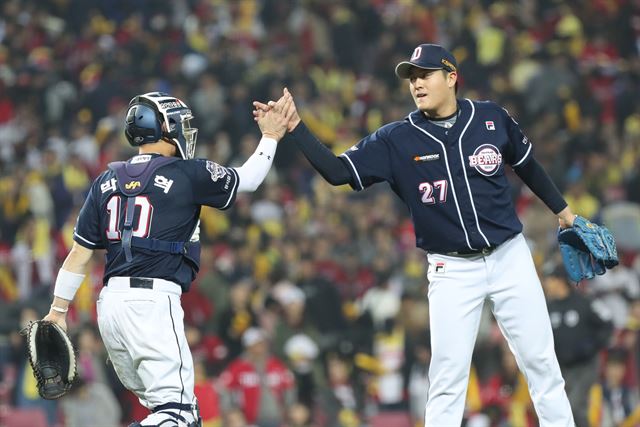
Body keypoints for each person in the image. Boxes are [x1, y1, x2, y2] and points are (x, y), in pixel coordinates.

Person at [254, 44, 577, 425]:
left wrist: (566, 214)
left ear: (451, 77)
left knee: (542, 364)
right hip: (452, 269)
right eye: (411, 77)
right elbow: (339, 172)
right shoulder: (396, 140)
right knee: (446, 380)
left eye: (424, 74)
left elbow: (529, 167)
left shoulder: (490, 118)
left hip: (510, 256)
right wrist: (297, 128)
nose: (416, 83)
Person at [41, 90, 295, 427]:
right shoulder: (186, 173)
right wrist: (271, 136)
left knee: (175, 413)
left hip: (111, 308)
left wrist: (58, 311)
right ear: (166, 126)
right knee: (179, 414)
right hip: (152, 303)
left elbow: (79, 253)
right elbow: (248, 179)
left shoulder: (105, 180)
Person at [543, 261, 613, 427]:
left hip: (585, 366)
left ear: (560, 280)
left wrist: (593, 345)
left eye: (549, 279)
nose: (546, 283)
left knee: (574, 406)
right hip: (561, 368)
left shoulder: (584, 302)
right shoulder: (547, 307)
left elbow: (608, 324)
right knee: (563, 410)